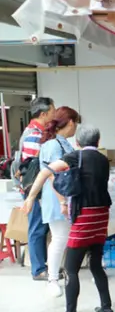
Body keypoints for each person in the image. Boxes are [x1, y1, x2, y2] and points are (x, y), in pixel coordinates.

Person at [22, 125, 114, 312]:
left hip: (85, 216)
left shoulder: (75, 157)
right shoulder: (102, 159)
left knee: (70, 269)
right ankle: (106, 307)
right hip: (102, 215)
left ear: (78, 143)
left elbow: (46, 171)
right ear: (98, 142)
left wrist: (30, 197)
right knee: (96, 264)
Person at [38, 106, 81, 297]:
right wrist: (63, 202)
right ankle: (52, 279)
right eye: (76, 124)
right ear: (70, 123)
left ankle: (61, 274)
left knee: (65, 238)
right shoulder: (53, 145)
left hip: (66, 197)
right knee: (59, 239)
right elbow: (53, 176)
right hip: (57, 198)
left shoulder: (64, 143)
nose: (76, 129)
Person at [19, 97, 56, 280]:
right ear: (43, 114)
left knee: (41, 228)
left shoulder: (36, 131)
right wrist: (35, 194)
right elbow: (34, 167)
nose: (54, 114)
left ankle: (43, 267)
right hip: (35, 189)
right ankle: (38, 269)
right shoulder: (34, 134)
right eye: (52, 111)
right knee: (37, 228)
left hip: (38, 189)